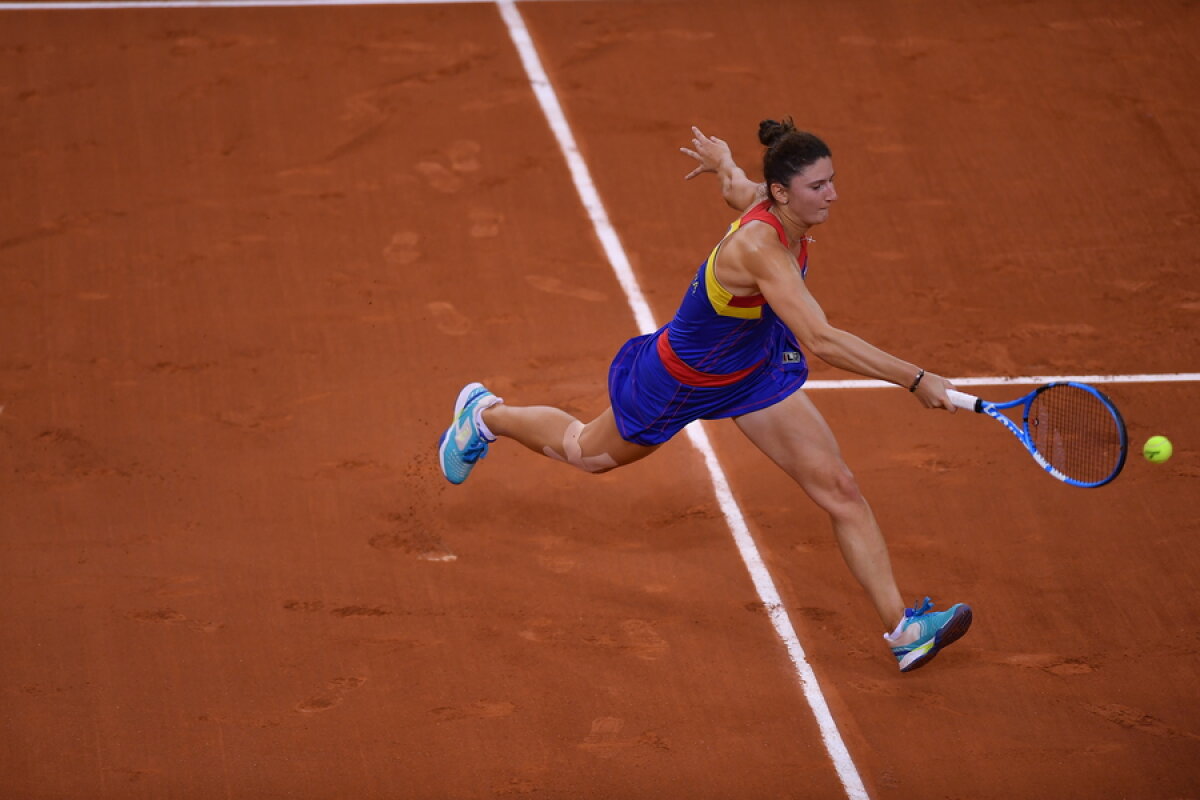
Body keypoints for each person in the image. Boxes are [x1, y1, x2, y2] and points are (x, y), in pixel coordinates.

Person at [437, 118, 972, 673]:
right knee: (584, 452)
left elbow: (737, 189)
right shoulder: (761, 246)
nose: (832, 194)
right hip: (678, 380)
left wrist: (724, 163)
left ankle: (904, 630)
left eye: (831, 180)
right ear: (782, 193)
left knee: (840, 488)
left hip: (751, 371)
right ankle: (486, 415)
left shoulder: (772, 204)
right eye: (818, 186)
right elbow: (820, 339)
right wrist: (916, 378)